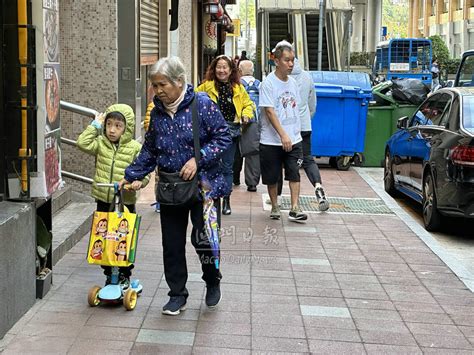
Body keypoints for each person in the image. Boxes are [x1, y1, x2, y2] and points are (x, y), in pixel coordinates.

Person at [121, 56, 232, 316]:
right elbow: (150, 149)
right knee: (171, 244)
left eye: (162, 85)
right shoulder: (157, 111)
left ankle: (212, 279)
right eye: (154, 86)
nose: (157, 91)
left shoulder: (202, 105)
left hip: (204, 186)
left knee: (202, 239)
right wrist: (131, 175)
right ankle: (177, 294)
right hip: (171, 186)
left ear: (179, 82)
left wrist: (198, 158)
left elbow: (223, 136)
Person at [77, 104, 149, 287]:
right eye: (108, 124)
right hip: (104, 200)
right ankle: (109, 274)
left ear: (127, 128)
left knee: (124, 239)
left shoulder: (134, 148)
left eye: (118, 126)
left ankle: (125, 275)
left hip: (126, 201)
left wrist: (139, 182)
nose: (111, 130)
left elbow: (144, 171)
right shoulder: (101, 143)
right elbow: (82, 143)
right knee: (103, 238)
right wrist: (95, 125)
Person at [196, 55, 254, 215]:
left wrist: (246, 114)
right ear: (214, 69)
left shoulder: (238, 87)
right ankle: (210, 198)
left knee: (227, 168)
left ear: (230, 70)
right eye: (218, 67)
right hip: (210, 133)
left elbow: (249, 104)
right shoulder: (206, 86)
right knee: (208, 165)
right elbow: (193, 100)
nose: (221, 70)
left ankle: (226, 199)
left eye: (225, 67)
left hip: (231, 132)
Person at [259, 40, 307, 222]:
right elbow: (270, 111)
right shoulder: (268, 84)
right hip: (271, 140)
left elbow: (295, 107)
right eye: (287, 60)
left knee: (294, 172)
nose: (291, 64)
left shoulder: (294, 83)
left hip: (294, 139)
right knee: (272, 176)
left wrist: (295, 133)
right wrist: (282, 135)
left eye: (292, 60)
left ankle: (295, 207)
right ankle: (275, 206)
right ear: (276, 61)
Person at [286, 53, 330, 211]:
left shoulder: (280, 76)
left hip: (285, 127)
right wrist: (307, 117)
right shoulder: (307, 76)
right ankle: (318, 186)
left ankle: (278, 198)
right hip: (304, 125)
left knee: (282, 160)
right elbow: (313, 103)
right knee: (307, 159)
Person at [233, 59, 261, 192]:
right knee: (252, 152)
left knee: (235, 149)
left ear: (239, 71)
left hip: (237, 121)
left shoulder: (236, 85)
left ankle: (235, 177)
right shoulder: (260, 85)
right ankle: (252, 182)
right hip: (255, 123)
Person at [144, 101, 160, 213]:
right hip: (159, 149)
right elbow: (147, 125)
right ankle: (159, 200)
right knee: (159, 177)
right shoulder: (153, 105)